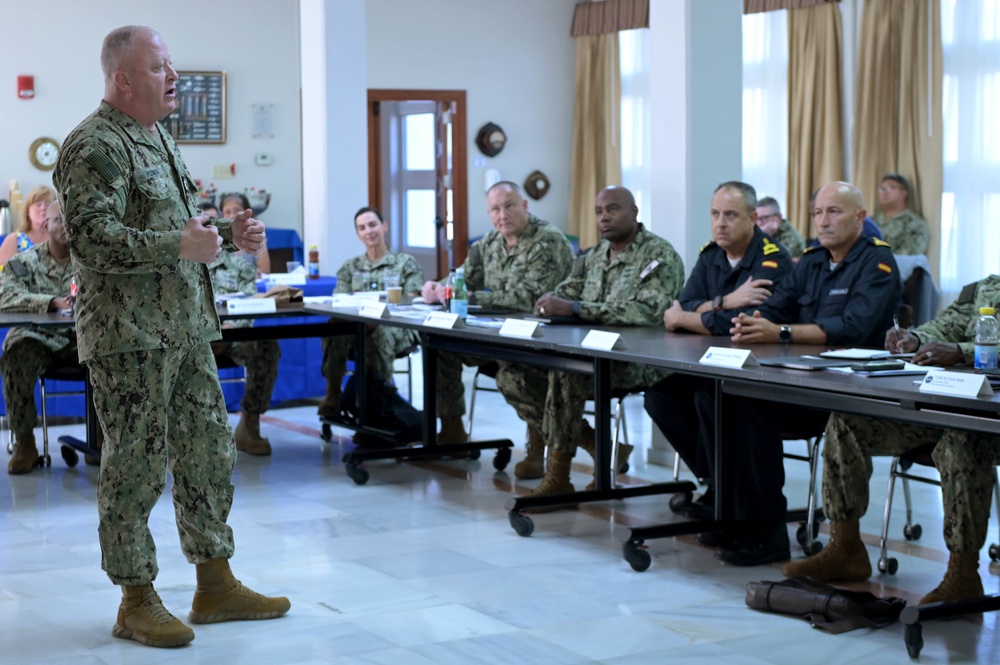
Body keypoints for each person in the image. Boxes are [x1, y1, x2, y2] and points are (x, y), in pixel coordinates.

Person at [53, 25, 289, 649]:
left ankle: (215, 582)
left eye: (172, 64)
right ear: (122, 78)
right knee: (136, 464)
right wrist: (176, 243)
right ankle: (135, 597)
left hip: (185, 329)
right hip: (128, 337)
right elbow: (90, 238)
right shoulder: (92, 145)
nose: (174, 75)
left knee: (209, 449)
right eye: (160, 66)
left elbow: (184, 232)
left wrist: (228, 239)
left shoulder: (160, 138)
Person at [661, 182, 901, 566]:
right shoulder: (811, 262)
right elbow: (774, 307)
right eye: (818, 212)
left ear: (860, 218)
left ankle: (767, 532)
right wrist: (746, 322)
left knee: (750, 410)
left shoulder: (879, 263)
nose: (823, 221)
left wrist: (781, 332)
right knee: (718, 396)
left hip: (849, 390)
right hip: (802, 380)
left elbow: (852, 327)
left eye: (834, 212)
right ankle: (734, 516)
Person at [782, 277, 1000, 605]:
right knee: (848, 420)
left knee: (963, 437)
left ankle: (964, 573)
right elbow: (947, 325)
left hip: (987, 422)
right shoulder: (986, 287)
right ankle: (845, 548)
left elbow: (960, 345)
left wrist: (960, 351)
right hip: (958, 402)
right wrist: (915, 338)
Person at [495, 185, 684, 501]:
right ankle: (603, 447)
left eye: (613, 209)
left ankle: (558, 476)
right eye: (599, 212)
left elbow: (648, 312)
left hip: (636, 360)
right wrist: (550, 301)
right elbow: (566, 291)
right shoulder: (594, 256)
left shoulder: (658, 255)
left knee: (566, 373)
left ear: (634, 213)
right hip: (589, 355)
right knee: (514, 374)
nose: (604, 218)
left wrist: (577, 308)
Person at [644, 181, 793, 510]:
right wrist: (726, 300)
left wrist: (694, 315)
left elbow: (743, 322)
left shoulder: (772, 260)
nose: (720, 223)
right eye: (714, 214)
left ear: (753, 218)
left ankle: (724, 493)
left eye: (730, 215)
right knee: (659, 397)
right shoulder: (711, 255)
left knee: (707, 398)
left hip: (757, 371)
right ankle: (717, 480)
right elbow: (684, 304)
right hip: (713, 362)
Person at [420, 181, 574, 458]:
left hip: (540, 339)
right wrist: (437, 288)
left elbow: (529, 299)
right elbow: (463, 277)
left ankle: (550, 445)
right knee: (440, 346)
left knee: (514, 375)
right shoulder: (489, 242)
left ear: (525, 206)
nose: (502, 215)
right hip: (497, 334)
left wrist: (467, 297)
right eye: (495, 209)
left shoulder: (547, 241)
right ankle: (453, 429)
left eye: (509, 206)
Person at [317, 207, 423, 425]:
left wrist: (378, 317)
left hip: (398, 327)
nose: (369, 231)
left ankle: (381, 404)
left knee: (378, 336)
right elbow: (339, 301)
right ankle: (333, 395)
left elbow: (412, 302)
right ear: (358, 234)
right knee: (334, 327)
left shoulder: (405, 263)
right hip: (357, 327)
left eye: (373, 225)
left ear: (384, 226)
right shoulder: (351, 267)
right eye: (362, 228)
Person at [0, 201, 80, 474]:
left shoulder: (94, 264)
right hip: (38, 339)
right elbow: (5, 296)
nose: (67, 226)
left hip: (83, 339)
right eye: (60, 220)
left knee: (119, 350)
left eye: (73, 219)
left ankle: (102, 438)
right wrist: (51, 302)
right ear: (46, 225)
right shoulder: (24, 262)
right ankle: (25, 442)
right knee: (16, 350)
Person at [205, 230, 282, 456]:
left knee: (266, 346)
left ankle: (249, 425)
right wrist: (209, 332)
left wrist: (231, 329)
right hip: (191, 337)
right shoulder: (177, 259)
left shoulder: (238, 265)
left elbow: (249, 302)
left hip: (230, 337)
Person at [872, 172, 930, 255]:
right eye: (881, 189)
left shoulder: (914, 224)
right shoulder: (871, 221)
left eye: (890, 187)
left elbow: (909, 255)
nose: (884, 192)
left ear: (904, 193)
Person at [0, 185, 56, 267]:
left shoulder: (61, 238)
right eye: (38, 204)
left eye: (48, 204)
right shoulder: (14, 239)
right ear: (27, 211)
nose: (43, 208)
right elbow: (2, 274)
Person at [221, 192, 272, 275]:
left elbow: (264, 271)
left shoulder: (255, 236)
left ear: (247, 213)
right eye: (227, 212)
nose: (232, 216)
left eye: (236, 211)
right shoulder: (218, 239)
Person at [755, 196, 805, 261]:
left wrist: (763, 235)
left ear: (778, 218)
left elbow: (775, 259)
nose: (759, 223)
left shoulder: (793, 238)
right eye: (756, 218)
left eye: (764, 218)